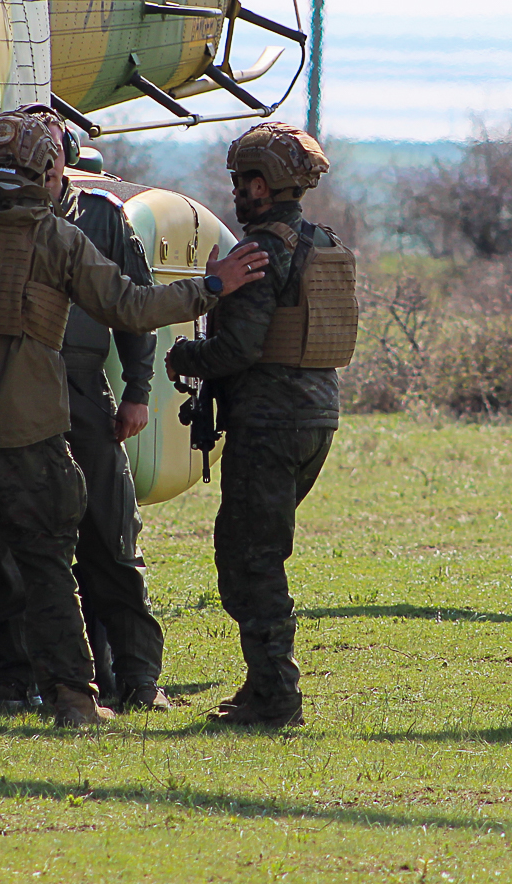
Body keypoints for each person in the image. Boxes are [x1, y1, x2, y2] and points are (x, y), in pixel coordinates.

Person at [0, 109, 268, 730]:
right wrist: (211, 287)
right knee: (50, 568)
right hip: (28, 440)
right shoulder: (56, 238)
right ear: (43, 170)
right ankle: (75, 699)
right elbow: (132, 307)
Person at [0, 116, 173, 712]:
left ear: (67, 162)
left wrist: (137, 390)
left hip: (84, 390)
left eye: (52, 161)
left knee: (111, 534)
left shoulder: (104, 217)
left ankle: (137, 677)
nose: (44, 172)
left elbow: (135, 305)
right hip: (10, 389)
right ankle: (13, 675)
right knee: (4, 538)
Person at [165, 121, 356, 728]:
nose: (237, 193)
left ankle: (276, 694)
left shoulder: (260, 254)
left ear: (264, 183)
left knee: (252, 558)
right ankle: (262, 685)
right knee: (257, 551)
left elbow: (237, 352)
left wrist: (183, 357)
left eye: (243, 182)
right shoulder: (323, 242)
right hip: (315, 419)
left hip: (268, 424)